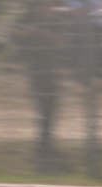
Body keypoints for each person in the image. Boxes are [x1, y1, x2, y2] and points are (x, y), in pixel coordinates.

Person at [12, 0, 74, 171]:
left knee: (52, 105)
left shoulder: (55, 21)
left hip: (51, 68)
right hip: (34, 68)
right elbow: (14, 32)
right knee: (43, 104)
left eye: (46, 4)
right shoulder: (27, 17)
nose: (44, 8)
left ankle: (45, 137)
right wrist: (28, 31)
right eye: (41, 5)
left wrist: (45, 34)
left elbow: (63, 42)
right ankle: (43, 138)